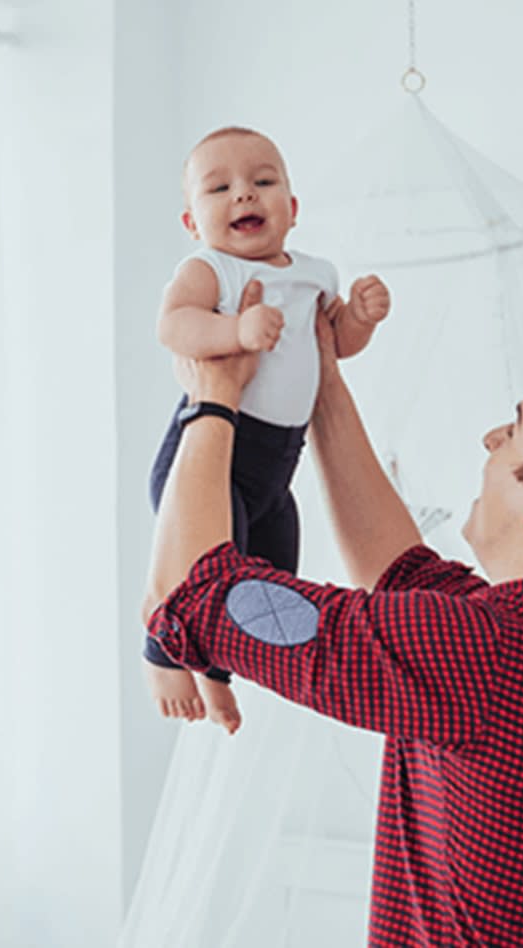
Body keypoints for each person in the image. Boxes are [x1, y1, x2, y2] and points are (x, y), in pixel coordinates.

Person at [141, 307, 523, 944]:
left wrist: (212, 397)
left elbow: (189, 590)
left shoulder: (487, 655)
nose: (490, 439)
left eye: (515, 429)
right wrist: (322, 377)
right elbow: (399, 570)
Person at [144, 126, 391, 734]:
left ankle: (218, 674)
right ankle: (161, 654)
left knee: (272, 587)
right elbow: (174, 326)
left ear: (293, 208)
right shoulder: (211, 270)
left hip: (278, 468)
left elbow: (335, 346)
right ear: (191, 220)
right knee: (195, 573)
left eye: (262, 181)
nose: (243, 196)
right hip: (212, 456)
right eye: (219, 188)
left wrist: (359, 318)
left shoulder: (315, 274)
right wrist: (235, 334)